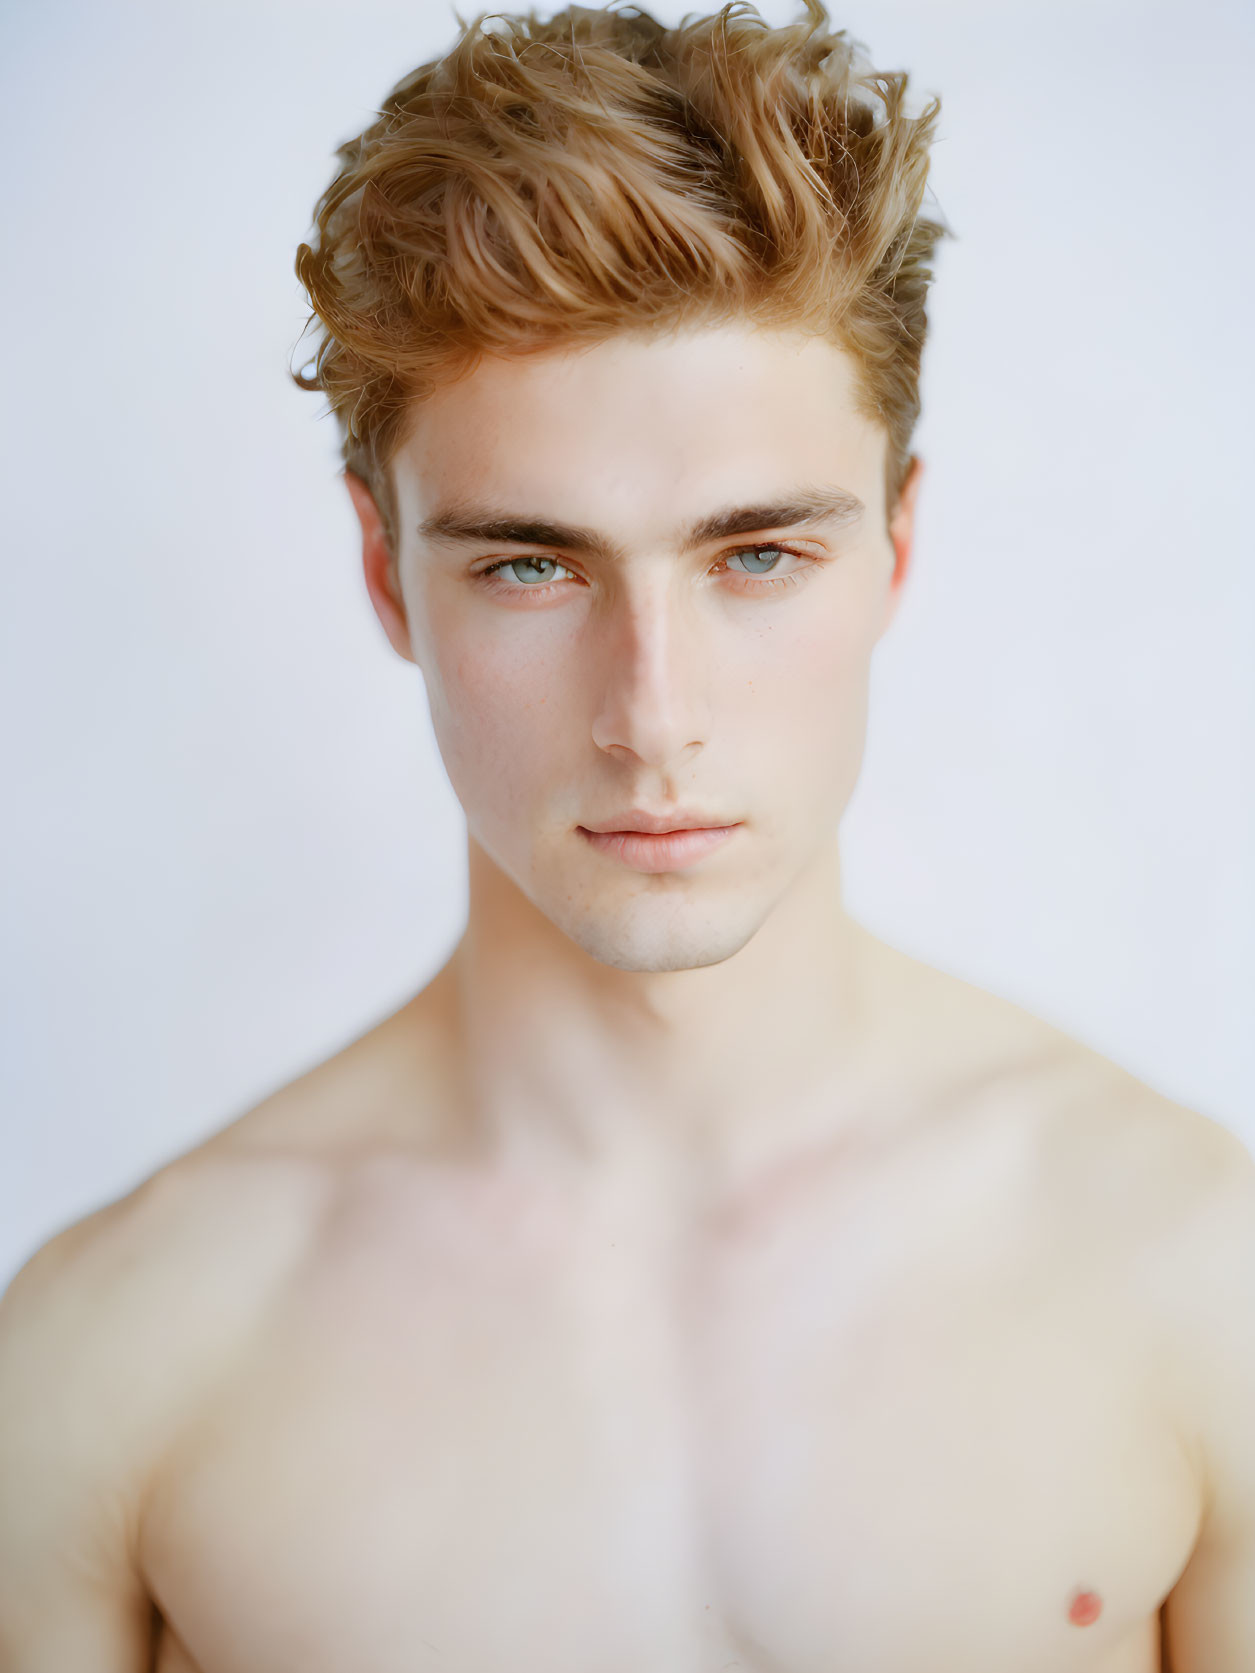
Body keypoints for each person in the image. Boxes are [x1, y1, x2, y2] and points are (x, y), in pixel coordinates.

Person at [1, 0, 1251, 1667]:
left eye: (755, 556)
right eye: (532, 564)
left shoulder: (1196, 1279)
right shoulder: (118, 1359)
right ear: (388, 576)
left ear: (896, 545)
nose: (652, 713)